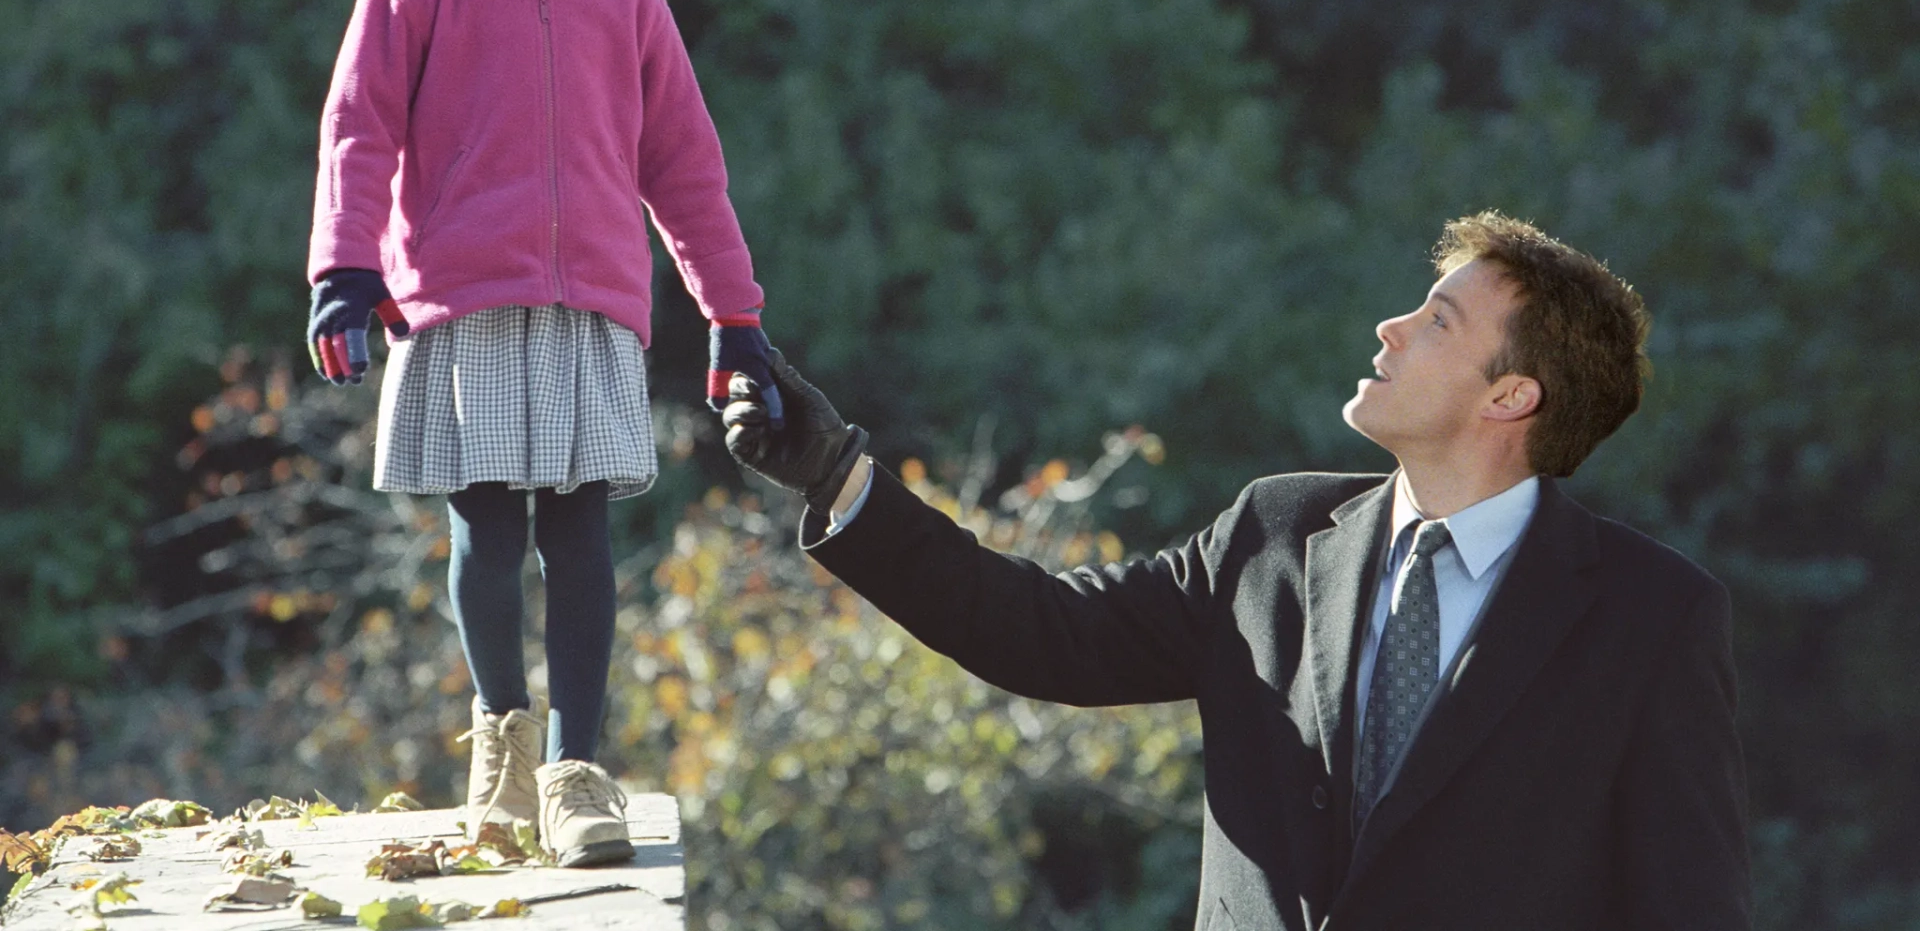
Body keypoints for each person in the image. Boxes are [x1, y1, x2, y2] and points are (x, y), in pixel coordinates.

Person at [724, 212, 1750, 929]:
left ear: (1511, 397)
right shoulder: (1275, 531)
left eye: (1438, 320)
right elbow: (1040, 630)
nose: (1392, 327)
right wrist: (836, 475)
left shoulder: (1651, 617)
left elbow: (1689, 910)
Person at [305, 0, 779, 868]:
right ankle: (501, 752)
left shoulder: (630, 3)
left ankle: (577, 771)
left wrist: (735, 315)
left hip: (592, 311)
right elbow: (359, 131)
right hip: (465, 302)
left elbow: (686, 171)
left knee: (577, 534)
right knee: (483, 524)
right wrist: (343, 270)